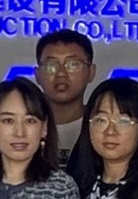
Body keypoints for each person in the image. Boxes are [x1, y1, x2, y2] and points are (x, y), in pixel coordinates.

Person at [35, 29, 97, 157]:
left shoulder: (102, 126)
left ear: (91, 72)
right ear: (37, 75)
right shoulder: (24, 127)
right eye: (51, 65)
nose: (61, 73)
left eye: (73, 65)